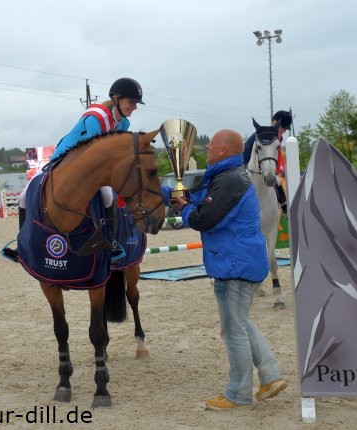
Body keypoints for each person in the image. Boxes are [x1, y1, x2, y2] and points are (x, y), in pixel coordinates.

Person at [170, 129, 286, 410]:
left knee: (233, 331)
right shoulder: (228, 177)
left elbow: (205, 219)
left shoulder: (230, 180)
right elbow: (208, 205)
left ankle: (239, 393)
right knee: (241, 323)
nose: (207, 150)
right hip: (239, 261)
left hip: (235, 264)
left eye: (211, 147)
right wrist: (174, 194)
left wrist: (185, 208)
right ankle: (270, 375)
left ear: (222, 150)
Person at [18, 77, 144, 262]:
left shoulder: (124, 124)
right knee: (24, 195)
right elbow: (95, 153)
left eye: (135, 103)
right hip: (64, 159)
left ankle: (111, 243)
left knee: (108, 196)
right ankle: (23, 244)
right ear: (117, 99)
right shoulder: (96, 117)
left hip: (91, 169)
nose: (134, 107)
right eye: (131, 102)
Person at [243, 110, 292, 215]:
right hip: (250, 164)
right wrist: (244, 165)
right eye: (282, 128)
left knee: (277, 181)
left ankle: (283, 204)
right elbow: (247, 147)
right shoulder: (262, 133)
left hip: (267, 166)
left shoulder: (276, 136)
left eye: (285, 129)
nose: (283, 131)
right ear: (274, 123)